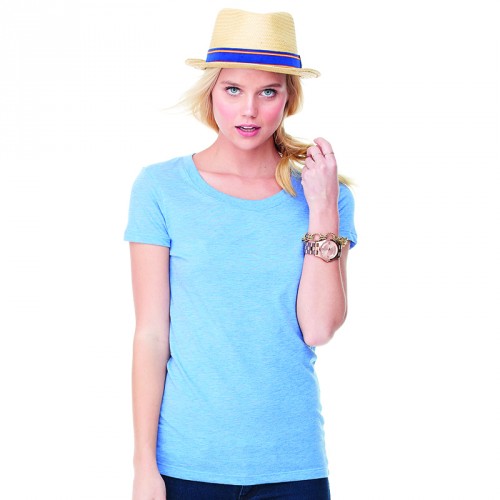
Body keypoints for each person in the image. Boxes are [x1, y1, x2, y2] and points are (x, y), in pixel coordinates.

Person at [124, 8, 357, 500]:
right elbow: (151, 334)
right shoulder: (161, 188)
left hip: (292, 465)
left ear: (288, 98)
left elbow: (318, 328)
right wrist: (144, 466)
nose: (249, 110)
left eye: (267, 92)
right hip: (186, 463)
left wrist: (321, 211)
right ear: (211, 92)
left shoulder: (325, 196)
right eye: (233, 89)